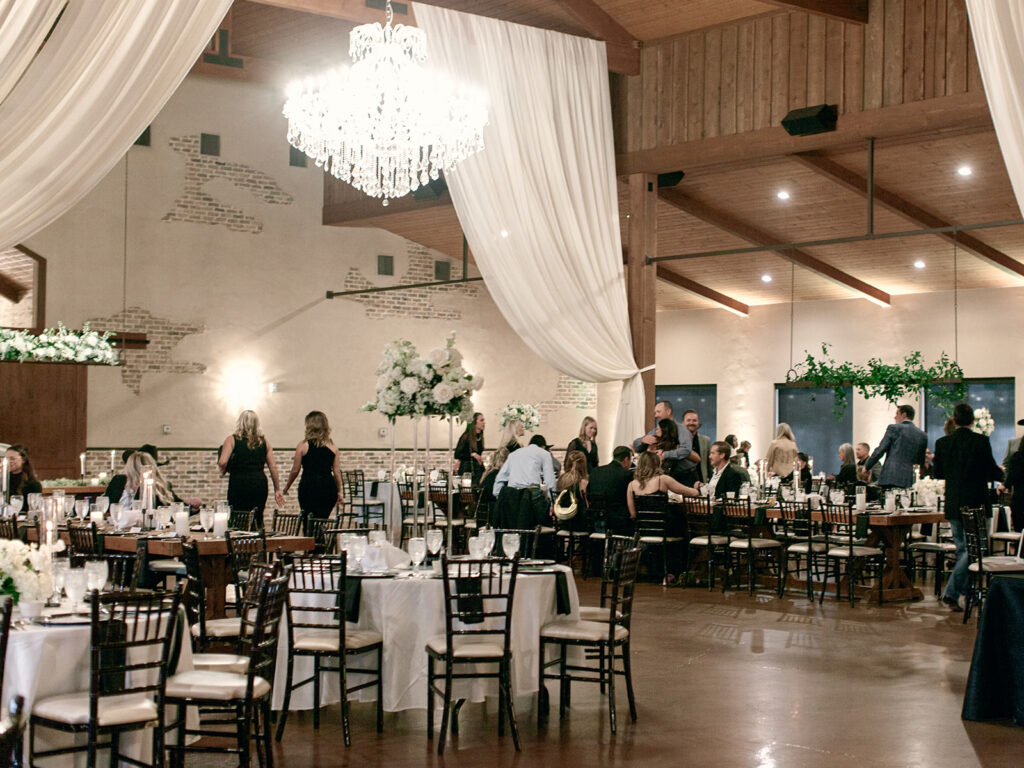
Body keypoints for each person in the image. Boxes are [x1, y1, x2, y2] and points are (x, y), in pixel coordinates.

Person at [933, 403, 1004, 611]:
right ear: (973, 421)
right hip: (976, 502)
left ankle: (965, 593)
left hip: (954, 501)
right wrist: (1003, 475)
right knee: (976, 549)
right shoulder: (981, 441)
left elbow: (938, 473)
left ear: (954, 420)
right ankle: (953, 592)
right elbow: (991, 471)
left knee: (963, 549)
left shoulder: (943, 443)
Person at [283, 411, 342, 528]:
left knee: (308, 523)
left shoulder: (303, 445)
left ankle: (311, 545)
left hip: (309, 487)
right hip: (328, 488)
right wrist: (339, 491)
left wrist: (287, 487)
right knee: (321, 522)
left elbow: (295, 470)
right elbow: (336, 472)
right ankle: (321, 545)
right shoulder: (333, 446)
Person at [218, 410, 284, 514]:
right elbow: (273, 467)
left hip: (239, 483)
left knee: (238, 516)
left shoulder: (232, 439)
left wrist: (223, 470)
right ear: (256, 424)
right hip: (259, 483)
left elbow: (222, 462)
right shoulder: (264, 442)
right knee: (257, 517)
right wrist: (277, 489)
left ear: (240, 422)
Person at [492, 434, 557, 528]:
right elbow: (550, 481)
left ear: (528, 444)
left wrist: (500, 497)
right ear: (543, 447)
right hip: (531, 496)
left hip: (512, 496)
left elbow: (500, 478)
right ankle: (541, 536)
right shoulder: (544, 454)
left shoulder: (513, 454)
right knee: (547, 517)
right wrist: (552, 503)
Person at [862, 404, 928, 489]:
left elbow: (881, 449)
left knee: (890, 501)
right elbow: (921, 460)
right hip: (910, 479)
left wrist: (867, 466)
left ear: (904, 415)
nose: (895, 417)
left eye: (897, 414)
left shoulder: (894, 428)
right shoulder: (922, 435)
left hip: (891, 476)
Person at [633, 401, 699, 483]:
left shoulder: (682, 429)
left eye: (658, 412)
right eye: (655, 413)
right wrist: (642, 440)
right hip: (667, 475)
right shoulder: (656, 431)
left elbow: (686, 450)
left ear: (668, 411)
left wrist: (664, 454)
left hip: (685, 475)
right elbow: (636, 444)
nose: (656, 415)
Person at [626, 451, 699, 521]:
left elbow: (633, 514)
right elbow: (688, 492)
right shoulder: (662, 479)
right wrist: (696, 490)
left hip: (642, 529)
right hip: (665, 527)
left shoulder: (631, 485)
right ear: (657, 464)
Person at [587, 446, 634, 535]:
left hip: (596, 519)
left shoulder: (595, 471)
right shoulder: (626, 475)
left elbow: (588, 492)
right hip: (618, 522)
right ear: (626, 459)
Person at [554, 450, 589, 530]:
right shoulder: (583, 482)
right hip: (578, 521)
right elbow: (586, 503)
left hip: (563, 519)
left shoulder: (561, 479)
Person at [454, 412, 486, 486]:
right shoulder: (466, 436)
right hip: (467, 471)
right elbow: (457, 454)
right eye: (481, 420)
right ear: (475, 422)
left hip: (477, 471)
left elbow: (479, 456)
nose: (484, 422)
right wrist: (472, 454)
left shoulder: (480, 437)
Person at [681, 410, 711, 483]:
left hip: (700, 482)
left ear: (698, 423)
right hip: (680, 483)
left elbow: (709, 464)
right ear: (683, 423)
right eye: (688, 420)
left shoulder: (706, 440)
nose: (691, 423)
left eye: (694, 420)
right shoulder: (675, 440)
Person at [1003, 440, 1024, 531]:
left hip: (1021, 498)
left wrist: (1005, 485)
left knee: (1020, 530)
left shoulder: (1018, 457)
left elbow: (1013, 476)